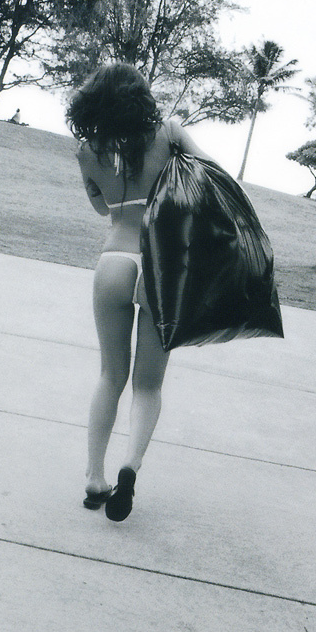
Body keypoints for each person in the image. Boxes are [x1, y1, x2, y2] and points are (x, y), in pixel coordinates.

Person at [66, 63, 201, 522]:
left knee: (110, 375)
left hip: (113, 261)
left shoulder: (87, 151)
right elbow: (213, 177)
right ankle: (130, 466)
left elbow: (102, 205)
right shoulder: (170, 132)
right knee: (148, 383)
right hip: (161, 265)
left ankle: (93, 475)